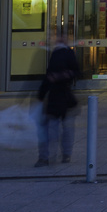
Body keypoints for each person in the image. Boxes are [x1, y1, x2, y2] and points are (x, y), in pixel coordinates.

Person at [35, 30, 80, 167]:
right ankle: (64, 154)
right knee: (64, 128)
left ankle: (46, 157)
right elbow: (75, 71)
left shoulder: (60, 53)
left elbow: (50, 76)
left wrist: (42, 94)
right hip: (64, 97)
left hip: (58, 97)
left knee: (51, 128)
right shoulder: (62, 52)